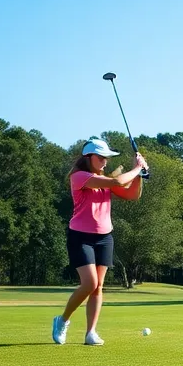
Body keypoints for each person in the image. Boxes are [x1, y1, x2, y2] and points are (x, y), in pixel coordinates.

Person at [51, 137, 147, 346]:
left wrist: (139, 176)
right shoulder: (80, 177)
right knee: (90, 283)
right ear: (89, 157)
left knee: (98, 287)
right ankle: (63, 320)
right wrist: (137, 168)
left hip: (104, 237)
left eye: (106, 158)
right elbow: (118, 181)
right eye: (101, 157)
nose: (105, 161)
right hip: (80, 237)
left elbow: (131, 195)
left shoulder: (105, 179)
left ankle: (90, 333)